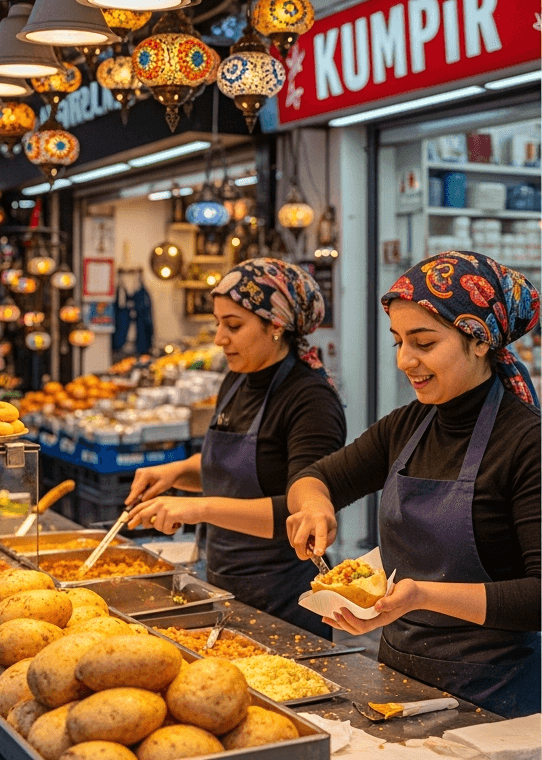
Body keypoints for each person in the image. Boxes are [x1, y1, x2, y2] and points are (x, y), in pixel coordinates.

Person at [286, 251, 539, 718]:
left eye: (423, 342)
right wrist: (314, 508)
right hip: (398, 684)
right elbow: (316, 477)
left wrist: (422, 595)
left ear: (479, 340)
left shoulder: (527, 442)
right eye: (398, 341)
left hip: (495, 700)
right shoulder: (408, 426)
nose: (406, 360)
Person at [123, 258, 345, 638]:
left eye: (234, 325)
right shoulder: (237, 381)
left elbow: (302, 512)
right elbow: (234, 469)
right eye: (218, 323)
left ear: (276, 325)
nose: (219, 338)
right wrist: (177, 472)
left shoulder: (310, 400)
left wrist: (199, 508)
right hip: (224, 581)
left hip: (284, 599)